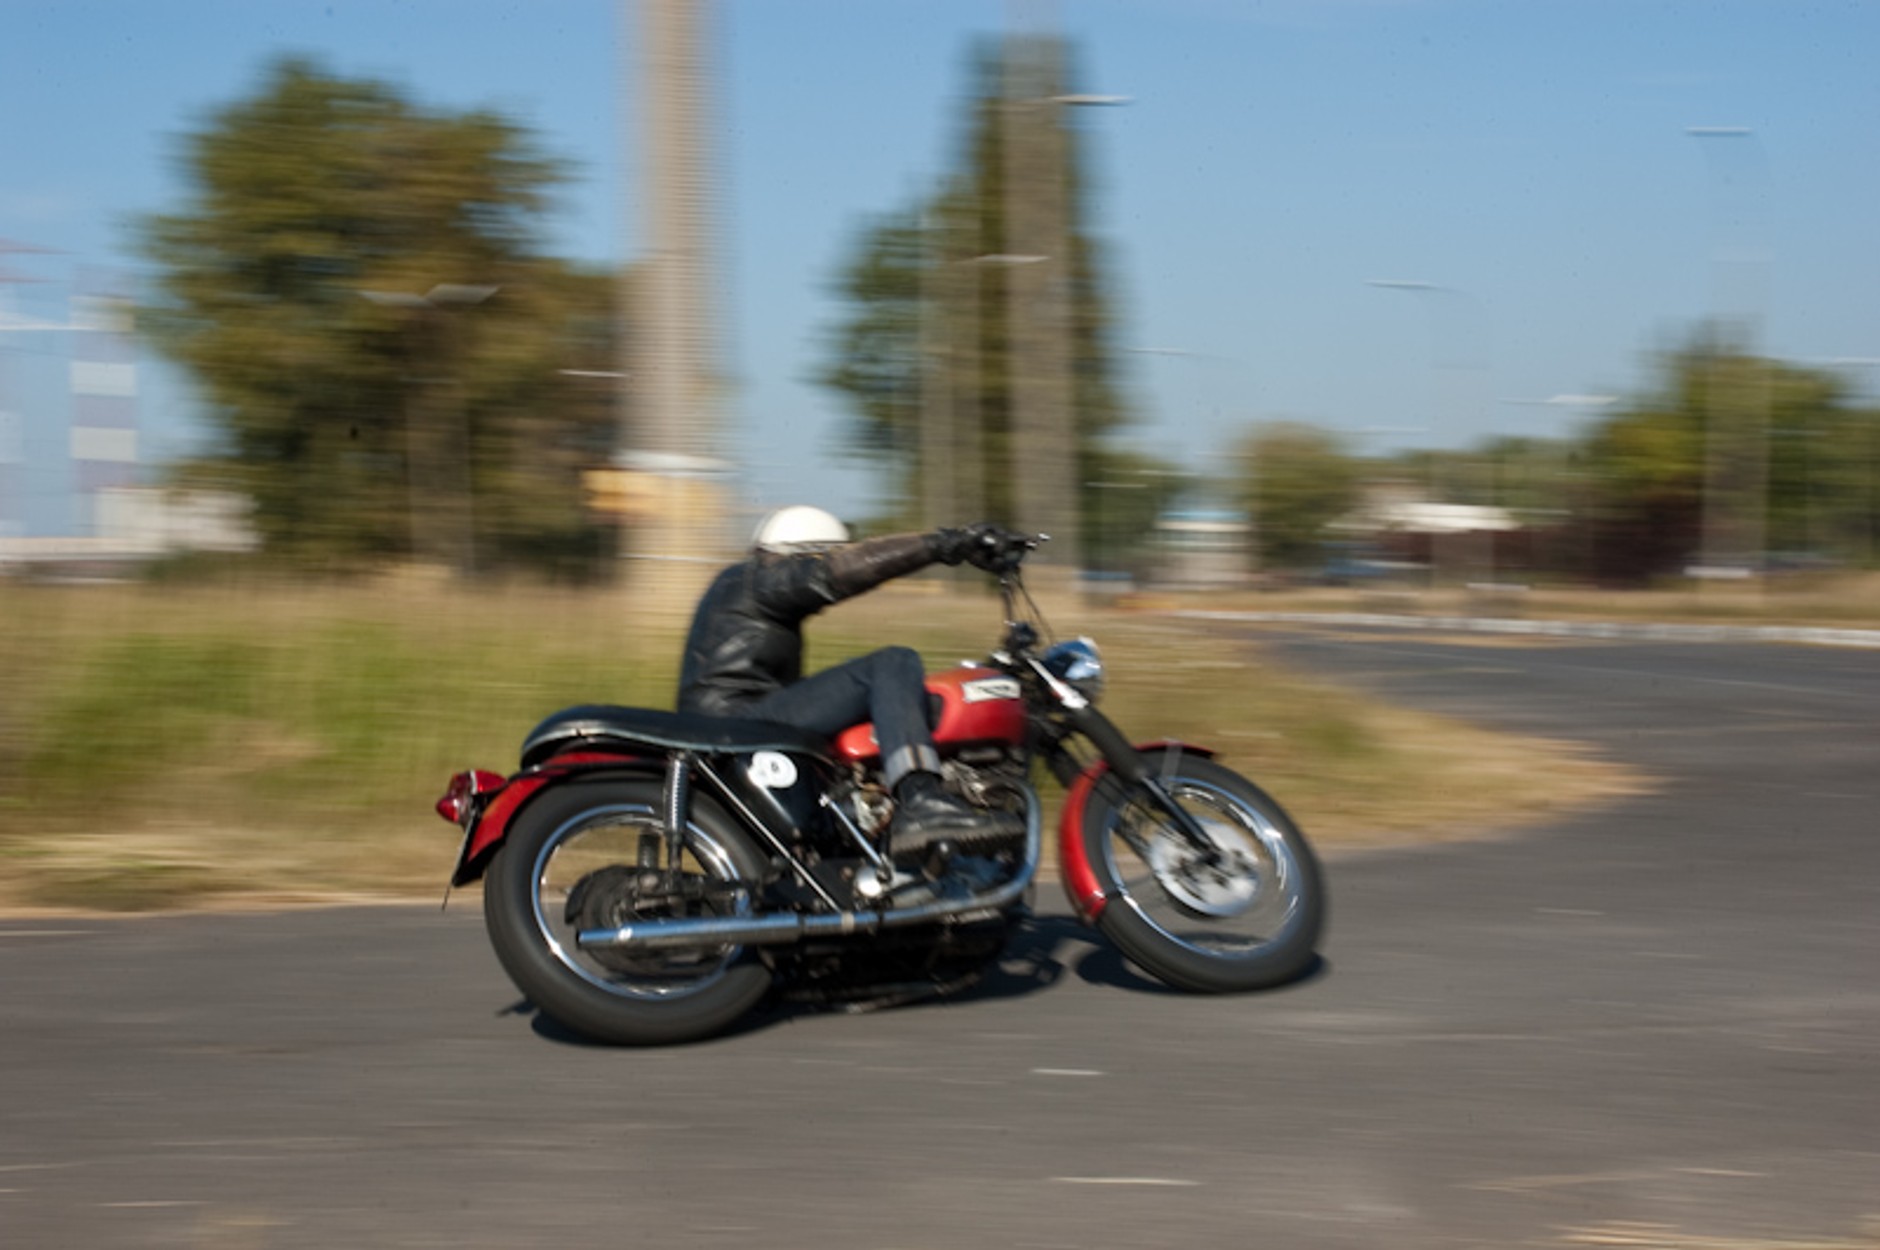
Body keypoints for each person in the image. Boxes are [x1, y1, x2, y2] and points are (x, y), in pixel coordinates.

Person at [676, 505, 1016, 861]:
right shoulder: (761, 579)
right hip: (737, 722)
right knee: (891, 663)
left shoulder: (743, 587)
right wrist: (948, 545)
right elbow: (840, 572)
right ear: (801, 555)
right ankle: (920, 799)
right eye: (825, 556)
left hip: (732, 720)